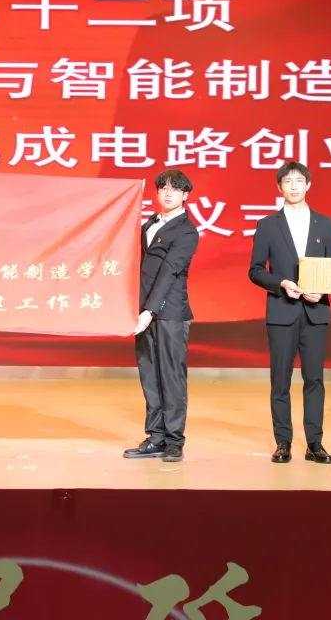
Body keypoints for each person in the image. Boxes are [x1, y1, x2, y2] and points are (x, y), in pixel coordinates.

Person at [248, 162, 331, 464]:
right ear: (279, 187)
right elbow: (256, 270)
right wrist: (281, 284)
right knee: (280, 381)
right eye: (287, 181)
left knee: (314, 379)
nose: (294, 186)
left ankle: (315, 443)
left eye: (299, 180)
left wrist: (322, 290)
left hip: (316, 312)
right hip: (281, 311)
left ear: (308, 184)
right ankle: (283, 442)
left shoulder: (326, 224)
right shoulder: (267, 225)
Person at [123, 169, 200, 464]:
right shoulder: (149, 224)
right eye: (163, 188)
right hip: (143, 311)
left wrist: (150, 311)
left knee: (171, 377)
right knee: (149, 375)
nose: (168, 193)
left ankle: (174, 440)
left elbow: (169, 273)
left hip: (169, 313)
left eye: (175, 189)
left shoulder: (187, 231)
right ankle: (155, 437)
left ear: (185, 195)